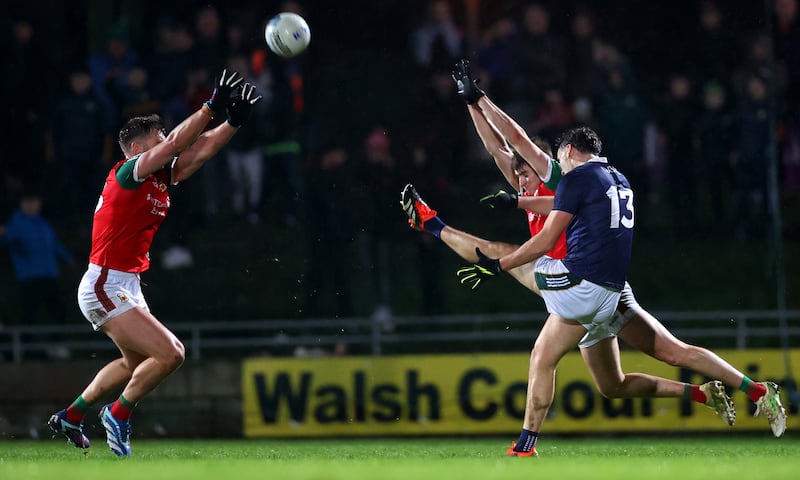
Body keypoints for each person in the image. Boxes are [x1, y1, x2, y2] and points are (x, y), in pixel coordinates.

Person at [401, 60, 787, 456]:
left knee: (515, 286)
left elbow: (516, 140)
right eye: (515, 175)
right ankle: (708, 394)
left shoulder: (561, 177)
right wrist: (470, 103)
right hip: (602, 289)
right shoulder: (545, 190)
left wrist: (482, 98)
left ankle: (431, 225)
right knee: (613, 386)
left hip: (576, 283)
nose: (520, 177)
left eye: (526, 173)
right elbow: (497, 147)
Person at [47, 69, 261, 457]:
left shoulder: (161, 177)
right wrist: (211, 106)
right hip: (105, 283)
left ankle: (73, 415)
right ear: (139, 146)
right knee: (173, 353)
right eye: (158, 140)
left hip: (123, 283)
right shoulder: (129, 172)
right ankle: (118, 413)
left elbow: (200, 150)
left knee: (136, 364)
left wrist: (232, 122)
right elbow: (181, 140)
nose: (167, 144)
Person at [0, 190, 74, 359]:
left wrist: (68, 259)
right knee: (29, 315)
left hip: (50, 275)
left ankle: (55, 345)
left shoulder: (42, 223)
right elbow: (6, 237)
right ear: (22, 204)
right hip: (29, 278)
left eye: (35, 201)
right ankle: (24, 351)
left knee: (59, 312)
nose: (33, 205)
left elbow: (54, 245)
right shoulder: (16, 223)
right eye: (28, 202)